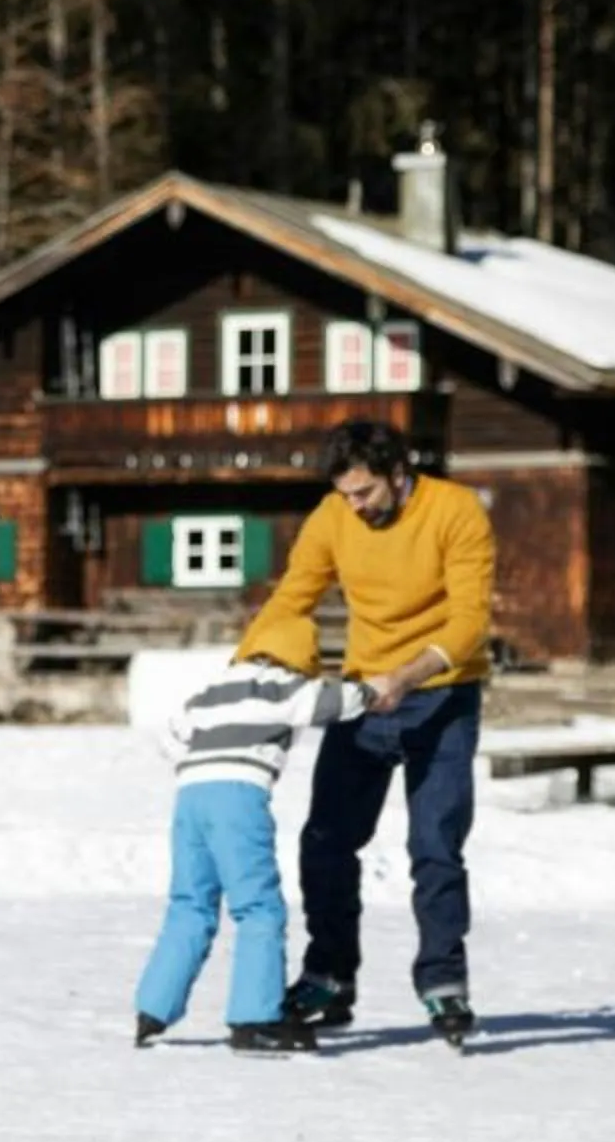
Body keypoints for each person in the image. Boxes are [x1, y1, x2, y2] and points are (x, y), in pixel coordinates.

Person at [230, 420, 495, 1050]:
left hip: (443, 695)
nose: (354, 506)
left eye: (366, 493)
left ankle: (442, 980)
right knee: (326, 841)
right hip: (362, 698)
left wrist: (407, 675)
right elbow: (293, 597)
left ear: (400, 474)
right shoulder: (332, 516)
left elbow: (469, 621)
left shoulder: (455, 511)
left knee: (434, 845)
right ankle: (330, 976)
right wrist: (245, 668)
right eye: (345, 494)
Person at [135, 655, 369, 1052]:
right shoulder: (281, 686)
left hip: (191, 796)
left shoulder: (212, 692)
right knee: (258, 908)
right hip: (238, 797)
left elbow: (170, 741)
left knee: (190, 904)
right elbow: (337, 702)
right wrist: (376, 687)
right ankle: (254, 1020)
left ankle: (152, 1011)